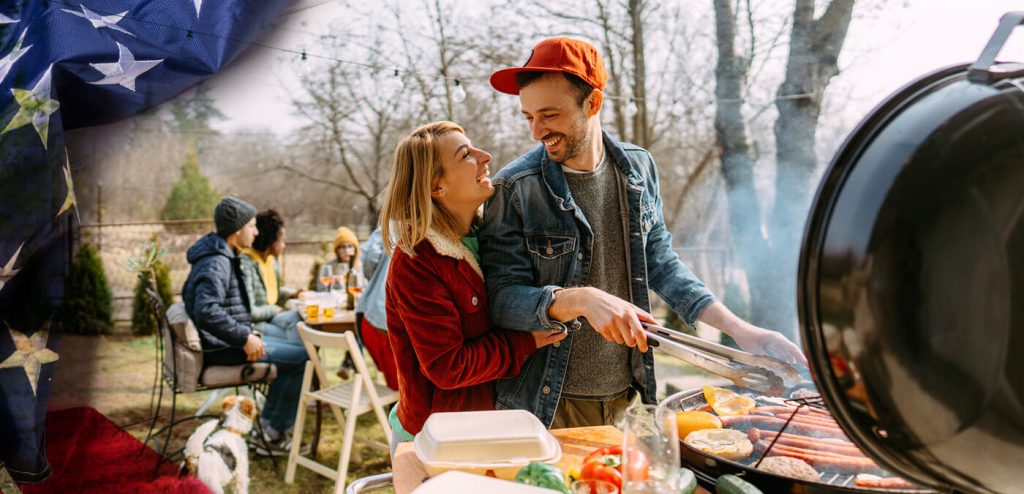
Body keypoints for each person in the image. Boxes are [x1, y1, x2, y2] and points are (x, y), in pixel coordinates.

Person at [481, 37, 806, 429]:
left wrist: (741, 331)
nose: (537, 131)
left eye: (549, 115)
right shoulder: (514, 187)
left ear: (593, 104)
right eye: (528, 116)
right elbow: (500, 299)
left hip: (626, 397)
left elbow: (662, 264)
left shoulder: (638, 169)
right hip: (543, 403)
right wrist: (579, 299)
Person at [379, 121, 566, 455]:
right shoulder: (417, 261)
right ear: (437, 186)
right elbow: (447, 367)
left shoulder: (487, 238)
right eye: (466, 154)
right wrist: (525, 341)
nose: (485, 156)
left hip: (481, 425)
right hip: (434, 440)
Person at [181, 196, 308, 456]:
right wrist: (244, 338)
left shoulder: (221, 255)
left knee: (296, 355)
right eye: (252, 226)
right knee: (304, 357)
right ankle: (272, 434)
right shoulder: (216, 261)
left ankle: (268, 427)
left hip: (228, 341)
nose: (257, 231)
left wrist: (246, 334)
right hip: (225, 347)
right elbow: (206, 310)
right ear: (237, 229)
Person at [240, 209, 305, 343]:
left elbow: (273, 292)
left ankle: (303, 359)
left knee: (301, 322)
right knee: (301, 337)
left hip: (271, 317)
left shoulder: (271, 261)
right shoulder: (246, 263)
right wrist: (275, 309)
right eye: (281, 240)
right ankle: (299, 358)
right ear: (271, 241)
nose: (284, 245)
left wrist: (294, 293)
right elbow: (251, 312)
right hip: (255, 323)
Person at [354, 227, 399, 390]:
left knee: (400, 388)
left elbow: (369, 258)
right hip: (392, 326)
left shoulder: (392, 225)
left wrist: (376, 278)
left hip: (374, 318)